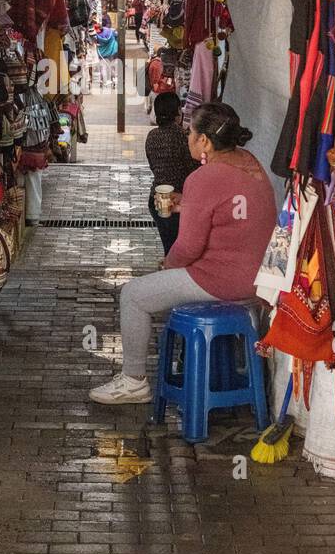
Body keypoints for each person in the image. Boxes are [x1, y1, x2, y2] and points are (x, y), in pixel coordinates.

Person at [90, 101, 277, 404]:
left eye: (190, 131)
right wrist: (188, 205)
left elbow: (188, 248)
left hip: (221, 282)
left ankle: (133, 380)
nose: (187, 136)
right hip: (261, 280)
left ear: (204, 140)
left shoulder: (203, 178)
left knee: (133, 295)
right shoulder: (250, 162)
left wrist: (167, 266)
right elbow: (228, 210)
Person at [144, 92, 198, 255]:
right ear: (177, 113)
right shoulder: (183, 137)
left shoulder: (152, 136)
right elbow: (193, 170)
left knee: (169, 247)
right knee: (179, 251)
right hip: (178, 201)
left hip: (157, 198)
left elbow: (154, 166)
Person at [92, 14, 118, 90]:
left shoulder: (96, 35)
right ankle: (114, 80)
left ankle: (104, 82)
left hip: (102, 53)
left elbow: (93, 41)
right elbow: (116, 35)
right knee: (111, 67)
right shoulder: (109, 31)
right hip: (112, 51)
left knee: (103, 68)